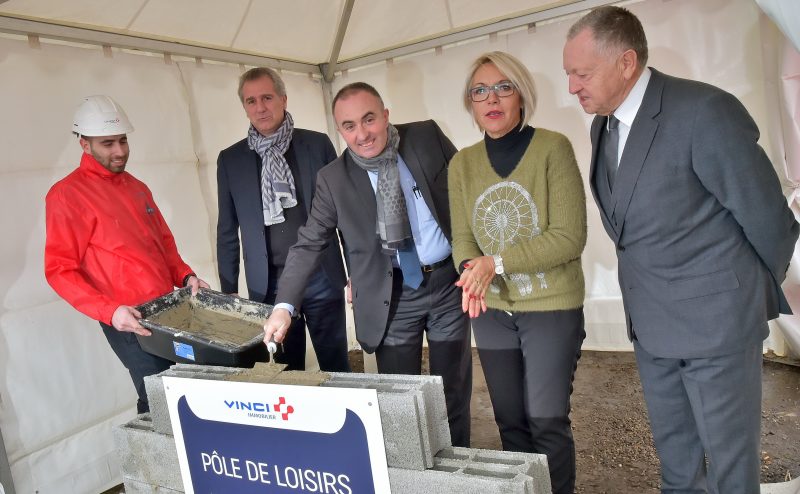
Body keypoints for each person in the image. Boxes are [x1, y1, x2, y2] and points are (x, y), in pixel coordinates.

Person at [563, 6, 799, 493]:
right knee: (678, 466)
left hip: (718, 333)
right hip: (651, 330)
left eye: (581, 73)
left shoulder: (703, 111)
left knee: (732, 471)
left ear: (626, 62)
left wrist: (737, 303)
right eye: (569, 74)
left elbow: (770, 218)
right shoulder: (601, 127)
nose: (572, 87)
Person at [263, 82, 472, 446]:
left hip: (447, 286)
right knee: (401, 402)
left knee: (451, 392)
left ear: (386, 115)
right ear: (339, 130)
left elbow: (469, 192)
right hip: (390, 297)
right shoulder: (333, 179)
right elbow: (310, 243)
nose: (362, 134)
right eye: (349, 126)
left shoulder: (425, 136)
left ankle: (460, 472)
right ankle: (413, 476)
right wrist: (284, 306)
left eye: (369, 119)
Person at [448, 51, 586, 494]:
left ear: (521, 95)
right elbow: (464, 242)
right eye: (480, 91)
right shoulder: (461, 164)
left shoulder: (553, 148)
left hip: (551, 307)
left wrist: (496, 263)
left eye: (504, 87)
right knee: (511, 424)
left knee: (547, 422)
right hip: (493, 311)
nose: (492, 98)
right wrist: (473, 271)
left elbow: (568, 237)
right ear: (470, 103)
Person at [45, 95, 210, 413]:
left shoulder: (137, 187)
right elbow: (59, 269)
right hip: (128, 319)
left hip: (170, 310)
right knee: (160, 400)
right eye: (108, 143)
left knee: (187, 391)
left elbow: (163, 245)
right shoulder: (67, 196)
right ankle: (161, 462)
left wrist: (186, 275)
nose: (119, 151)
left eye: (122, 140)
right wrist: (109, 311)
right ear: (84, 144)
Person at [217, 67, 349, 372]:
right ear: (244, 107)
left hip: (321, 277)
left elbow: (344, 214)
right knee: (287, 371)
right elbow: (227, 228)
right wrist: (228, 290)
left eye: (267, 97)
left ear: (283, 99)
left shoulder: (317, 145)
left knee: (337, 366)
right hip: (268, 284)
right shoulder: (231, 159)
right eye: (251, 101)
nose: (260, 107)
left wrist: (354, 270)